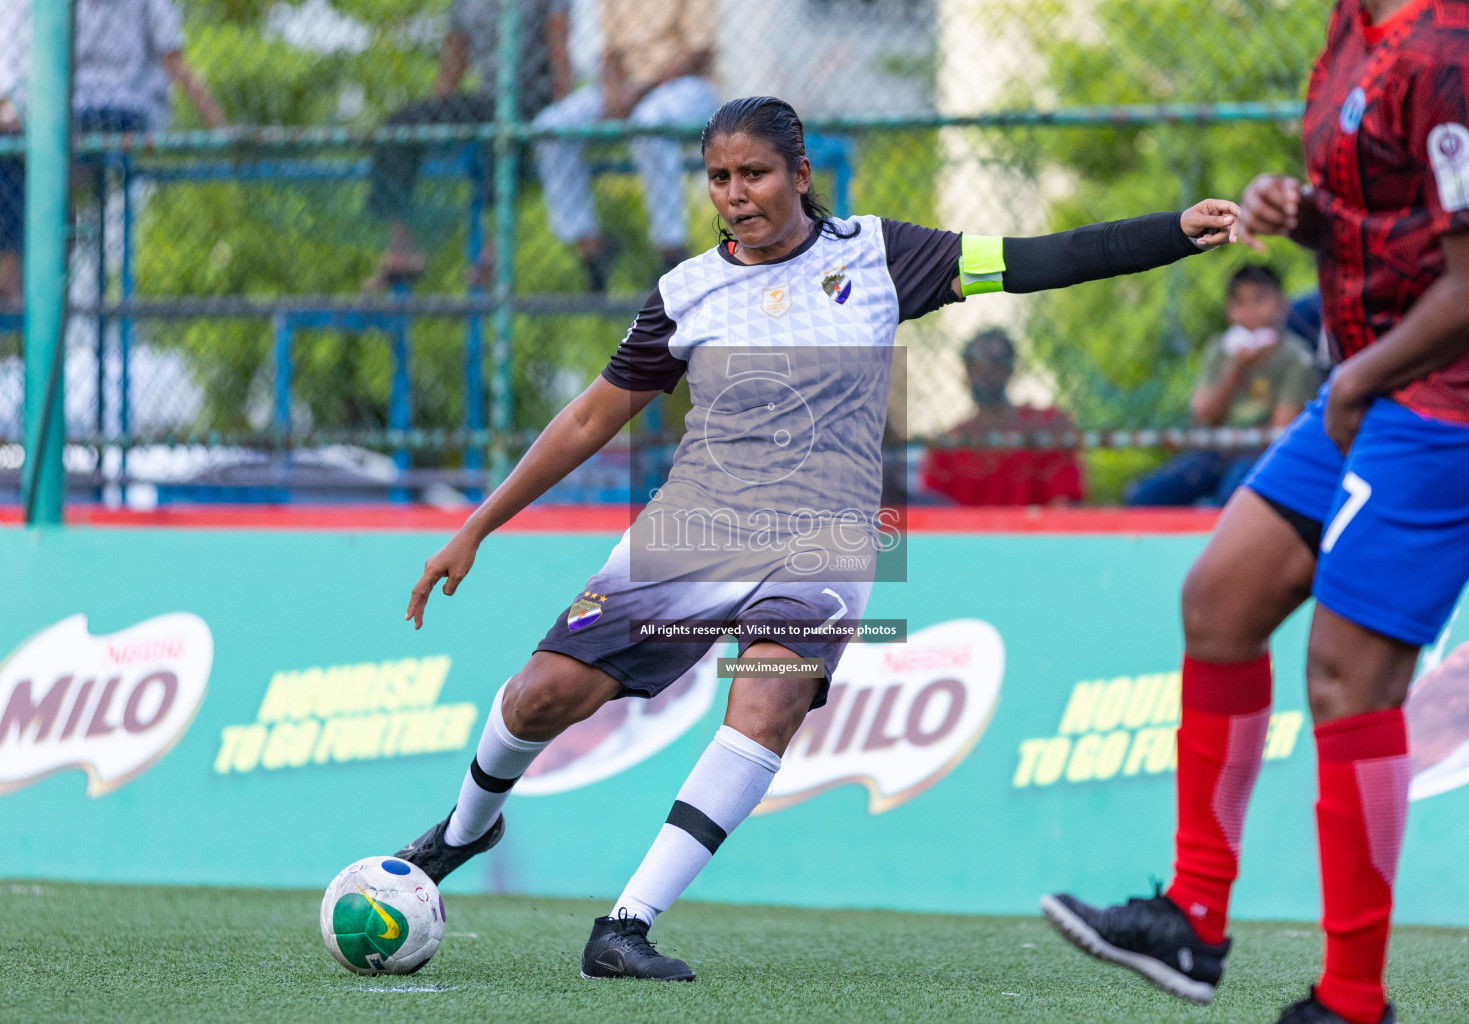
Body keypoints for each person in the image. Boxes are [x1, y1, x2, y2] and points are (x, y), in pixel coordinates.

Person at [394, 95, 1239, 980]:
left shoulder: (883, 257)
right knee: (539, 698)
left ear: (801, 176)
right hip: (695, 530)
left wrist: (1172, 232)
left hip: (826, 540)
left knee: (768, 704)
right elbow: (588, 419)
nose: (734, 194)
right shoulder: (686, 291)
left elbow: (1039, 260)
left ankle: (625, 926)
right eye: (718, 178)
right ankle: (464, 831)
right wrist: (477, 528)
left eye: (752, 173)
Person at [1041, 2, 1469, 1023]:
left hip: (1466, 395)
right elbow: (1395, 213)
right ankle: (1192, 917)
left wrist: (1355, 384)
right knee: (1220, 599)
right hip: (1382, 375)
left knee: (1349, 678)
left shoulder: (1456, 49)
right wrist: (1302, 210)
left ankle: (1352, 1000)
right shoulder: (1361, 25)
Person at [0, 0, 225, 302]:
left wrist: (219, 127)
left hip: (122, 110)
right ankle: (23, 266)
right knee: (13, 147)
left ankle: (17, 271)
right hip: (74, 112)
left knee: (33, 149)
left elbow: (173, 58)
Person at [365, 0, 571, 291]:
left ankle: (493, 252)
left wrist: (566, 112)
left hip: (535, 98)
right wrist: (436, 114)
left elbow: (560, 48)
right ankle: (402, 247)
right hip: (488, 99)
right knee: (398, 125)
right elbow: (454, 57)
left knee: (500, 135)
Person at [532, 0, 719, 291]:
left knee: (649, 122)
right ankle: (592, 249)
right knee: (550, 127)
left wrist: (639, 91)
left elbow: (699, 53)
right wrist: (612, 92)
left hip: (686, 87)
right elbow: (609, 54)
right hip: (628, 89)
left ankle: (672, 252)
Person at [1124, 265, 1317, 506]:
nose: (1251, 312)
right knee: (1145, 496)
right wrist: (1235, 369)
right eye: (1241, 303)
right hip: (1214, 454)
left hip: (1260, 456)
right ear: (1229, 310)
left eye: (1260, 300)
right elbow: (1202, 416)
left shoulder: (1296, 356)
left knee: (1233, 496)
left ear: (1281, 305)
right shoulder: (1219, 349)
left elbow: (1281, 429)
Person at [920, 329, 1085, 506]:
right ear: (966, 373)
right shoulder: (947, 446)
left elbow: (1065, 505)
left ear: (1011, 369)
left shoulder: (1048, 426)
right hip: (966, 534)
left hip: (1033, 532)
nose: (985, 374)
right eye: (976, 365)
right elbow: (933, 512)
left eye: (995, 364)